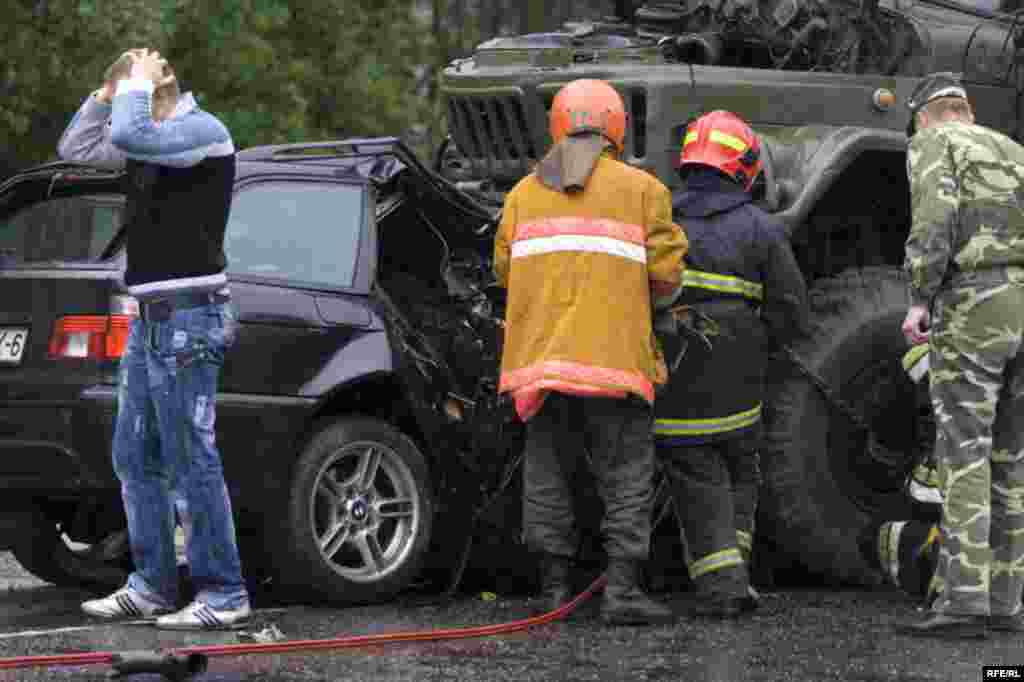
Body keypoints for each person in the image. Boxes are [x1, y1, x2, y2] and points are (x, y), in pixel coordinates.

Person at [57, 48, 250, 630]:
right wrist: (105, 91)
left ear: (166, 79)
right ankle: (152, 585)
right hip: (150, 316)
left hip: (191, 315)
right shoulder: (139, 133)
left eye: (150, 64)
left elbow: (133, 132)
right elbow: (76, 150)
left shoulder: (201, 131)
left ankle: (224, 593)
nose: (144, 66)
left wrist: (134, 84)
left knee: (192, 456)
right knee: (134, 454)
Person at [493, 78, 688, 625]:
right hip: (615, 365)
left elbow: (504, 271)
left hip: (541, 369)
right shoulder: (643, 190)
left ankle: (554, 592)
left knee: (548, 474)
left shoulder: (521, 195)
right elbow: (668, 276)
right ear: (616, 127)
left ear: (557, 125)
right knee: (626, 476)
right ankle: (622, 592)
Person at [653, 110, 808, 618]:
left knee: (697, 475)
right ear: (744, 167)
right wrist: (777, 350)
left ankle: (726, 581)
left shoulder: (660, 221)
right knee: (741, 468)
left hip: (676, 371)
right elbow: (792, 309)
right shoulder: (761, 227)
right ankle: (729, 582)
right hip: (742, 380)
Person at [899, 72, 1024, 638]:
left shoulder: (934, 145)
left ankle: (963, 602)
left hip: (974, 306)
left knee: (965, 454)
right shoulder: (1013, 149)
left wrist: (919, 298)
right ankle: (1005, 603)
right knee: (1012, 462)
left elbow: (933, 223)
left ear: (924, 116)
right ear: (965, 110)